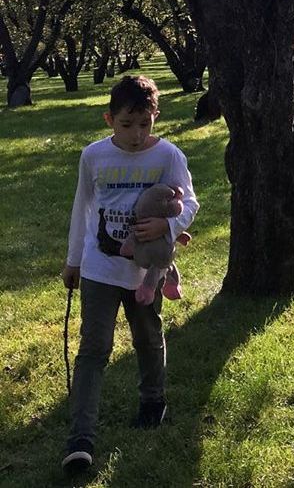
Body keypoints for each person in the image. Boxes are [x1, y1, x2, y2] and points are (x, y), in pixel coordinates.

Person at [60, 75, 199, 477]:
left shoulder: (169, 156)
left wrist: (166, 228)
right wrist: (73, 261)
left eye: (146, 124)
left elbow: (189, 201)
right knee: (93, 347)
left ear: (156, 117)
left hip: (145, 271)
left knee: (147, 336)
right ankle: (81, 437)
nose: (137, 135)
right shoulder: (93, 156)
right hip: (100, 267)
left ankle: (153, 401)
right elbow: (82, 208)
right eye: (127, 125)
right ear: (109, 119)